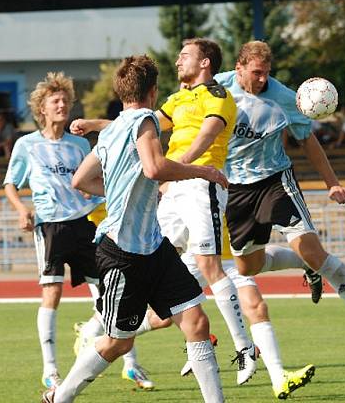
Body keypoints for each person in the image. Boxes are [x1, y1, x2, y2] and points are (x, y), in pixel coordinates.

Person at [72, 38, 259, 385]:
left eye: (185, 55)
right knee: (153, 260)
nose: (177, 61)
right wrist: (95, 124)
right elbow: (133, 122)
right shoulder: (176, 99)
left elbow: (205, 137)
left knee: (209, 266)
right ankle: (104, 329)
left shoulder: (217, 96)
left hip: (201, 184)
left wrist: (182, 169)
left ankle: (245, 348)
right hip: (174, 186)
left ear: (205, 63)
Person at [53, 55, 227, 403]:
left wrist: (117, 188)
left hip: (154, 246)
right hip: (122, 253)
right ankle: (60, 396)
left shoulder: (112, 130)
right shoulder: (146, 118)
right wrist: (203, 171)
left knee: (196, 323)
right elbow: (154, 168)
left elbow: (81, 180)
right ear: (153, 91)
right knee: (119, 342)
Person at [215, 41, 345, 364]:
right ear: (239, 67)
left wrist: (333, 183)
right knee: (247, 268)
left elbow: (307, 142)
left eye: (266, 73)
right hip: (236, 191)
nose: (261, 80)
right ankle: (304, 266)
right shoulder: (218, 88)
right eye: (256, 73)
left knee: (315, 252)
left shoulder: (285, 98)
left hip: (275, 182)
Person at [3, 72, 152, 391]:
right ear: (41, 108)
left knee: (109, 291)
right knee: (52, 293)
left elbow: (93, 175)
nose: (62, 105)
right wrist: (20, 209)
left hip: (83, 224)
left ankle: (131, 364)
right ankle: (51, 370)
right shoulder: (26, 145)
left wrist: (94, 191)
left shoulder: (79, 143)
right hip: (50, 226)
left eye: (65, 101)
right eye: (55, 101)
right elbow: (10, 184)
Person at [178, 226, 316, 399]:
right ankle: (133, 358)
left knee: (257, 307)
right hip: (198, 256)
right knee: (161, 317)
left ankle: (279, 377)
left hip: (230, 257)